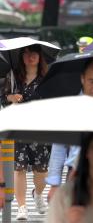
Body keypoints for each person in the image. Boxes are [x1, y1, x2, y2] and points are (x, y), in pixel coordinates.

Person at [46, 59, 93, 203]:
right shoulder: (70, 107)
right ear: (82, 78)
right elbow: (59, 146)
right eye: (92, 80)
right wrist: (54, 183)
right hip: (76, 172)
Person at [1, 45, 50, 219]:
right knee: (19, 168)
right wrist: (11, 97)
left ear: (39, 56)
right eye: (26, 54)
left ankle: (37, 194)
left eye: (34, 53)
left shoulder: (48, 78)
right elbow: (3, 96)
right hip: (18, 127)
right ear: (22, 57)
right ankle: (22, 207)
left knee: (41, 170)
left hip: (40, 129)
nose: (30, 57)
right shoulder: (14, 76)